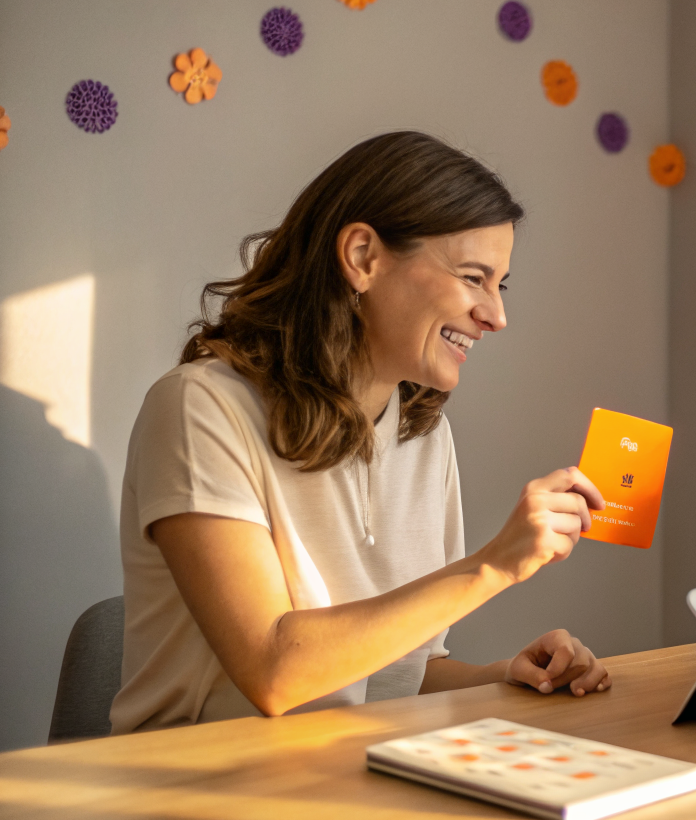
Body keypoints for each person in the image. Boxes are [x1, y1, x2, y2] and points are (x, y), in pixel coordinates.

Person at [111, 131, 612, 734]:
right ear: (363, 257)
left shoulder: (425, 437)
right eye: (474, 277)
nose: (496, 316)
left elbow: (398, 677)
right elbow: (276, 674)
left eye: (499, 285)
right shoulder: (200, 409)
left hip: (346, 785)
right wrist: (493, 566)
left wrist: (508, 677)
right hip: (194, 800)